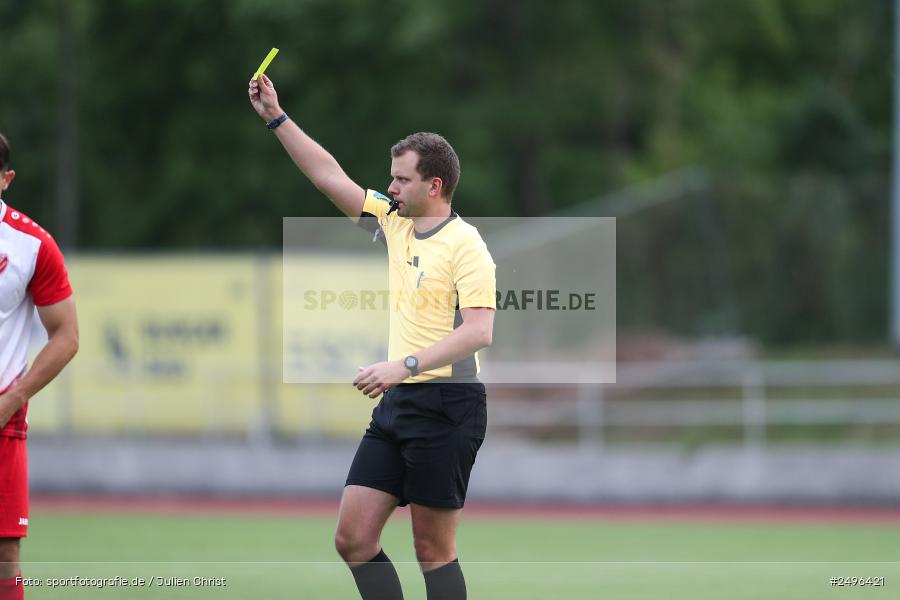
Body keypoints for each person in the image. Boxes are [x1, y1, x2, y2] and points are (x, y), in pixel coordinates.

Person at [249, 74, 496, 600]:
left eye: (402, 180)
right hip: (398, 404)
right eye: (391, 179)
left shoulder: (466, 245)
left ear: (435, 186)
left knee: (433, 551)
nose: (392, 189)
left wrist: (402, 366)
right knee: (353, 538)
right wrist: (276, 117)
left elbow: (479, 331)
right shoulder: (396, 223)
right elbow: (327, 175)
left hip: (447, 404)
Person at [0, 132, 79, 600]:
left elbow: (66, 337)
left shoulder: (32, 245)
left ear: (6, 180)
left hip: (1, 423)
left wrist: (13, 398)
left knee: (5, 558)